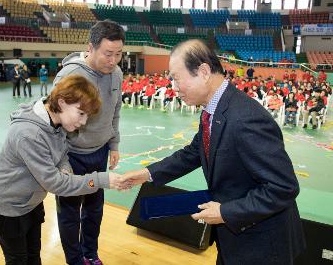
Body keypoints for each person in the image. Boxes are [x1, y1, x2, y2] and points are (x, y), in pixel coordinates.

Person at [120, 39, 305, 265]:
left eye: (177, 78)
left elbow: (283, 187)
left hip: (261, 245)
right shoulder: (213, 109)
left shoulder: (245, 118)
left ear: (204, 72)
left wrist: (226, 212)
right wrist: (146, 174)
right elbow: (193, 153)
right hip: (235, 241)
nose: (173, 87)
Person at [0, 75, 126, 265]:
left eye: (87, 116)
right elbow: (54, 183)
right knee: (18, 260)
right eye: (81, 113)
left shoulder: (56, 121)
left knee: (33, 255)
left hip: (30, 201)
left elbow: (62, 154)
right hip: (8, 205)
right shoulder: (28, 134)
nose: (83, 122)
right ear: (62, 102)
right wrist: (102, 180)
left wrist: (65, 169)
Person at [53, 20, 125, 265]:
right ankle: (74, 260)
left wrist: (113, 144)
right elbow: (54, 122)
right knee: (70, 214)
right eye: (108, 54)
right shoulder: (70, 75)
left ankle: (90, 254)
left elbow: (116, 111)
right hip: (71, 154)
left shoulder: (117, 74)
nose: (113, 60)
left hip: (100, 151)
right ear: (91, 48)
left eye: (118, 54)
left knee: (94, 211)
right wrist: (61, 161)